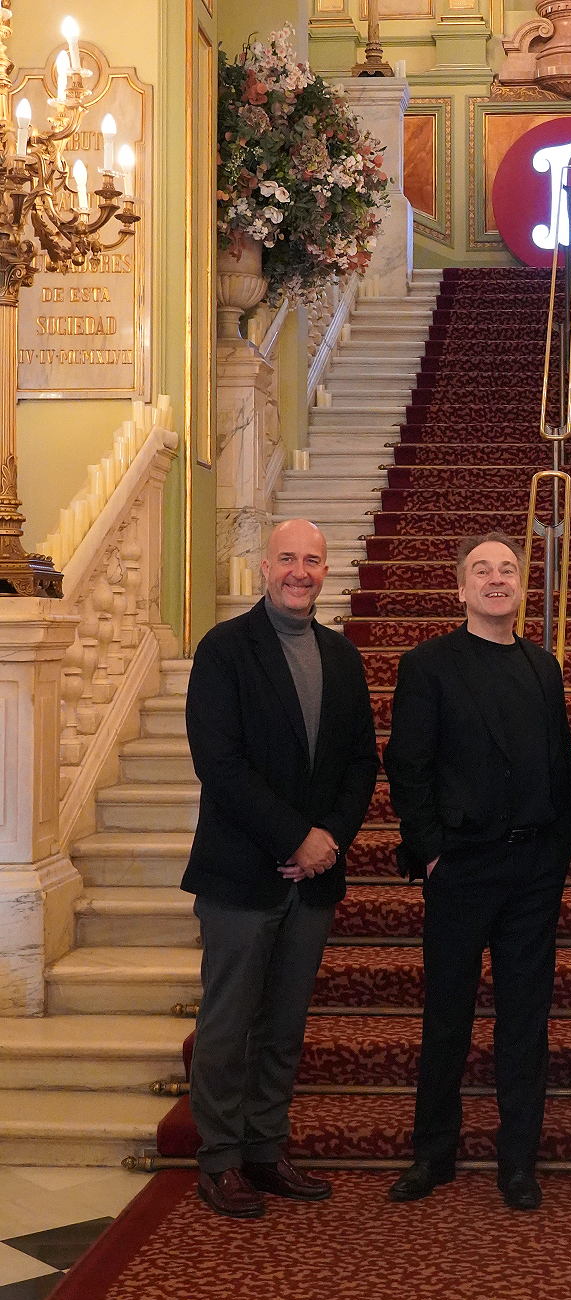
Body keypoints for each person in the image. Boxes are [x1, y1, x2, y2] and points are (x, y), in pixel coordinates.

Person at [182, 519, 379, 1219]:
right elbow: (219, 763)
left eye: (312, 560)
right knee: (228, 1024)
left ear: (326, 571)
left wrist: (328, 841)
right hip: (240, 873)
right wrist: (295, 837)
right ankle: (220, 1159)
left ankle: (266, 1149)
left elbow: (362, 763)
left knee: (285, 1026)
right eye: (288, 558)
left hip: (313, 879)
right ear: (264, 567)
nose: (300, 571)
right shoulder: (224, 649)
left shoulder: (342, 656)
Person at [383, 532, 571, 1212]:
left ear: (520, 587)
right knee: (448, 1015)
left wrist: (559, 846)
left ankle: (518, 1162)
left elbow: (560, 763)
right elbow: (407, 766)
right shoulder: (428, 665)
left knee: (525, 1020)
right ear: (461, 588)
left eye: (507, 570)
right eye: (481, 570)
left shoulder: (542, 667)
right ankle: (432, 1155)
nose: (496, 579)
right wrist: (432, 851)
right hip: (461, 867)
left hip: (533, 870)